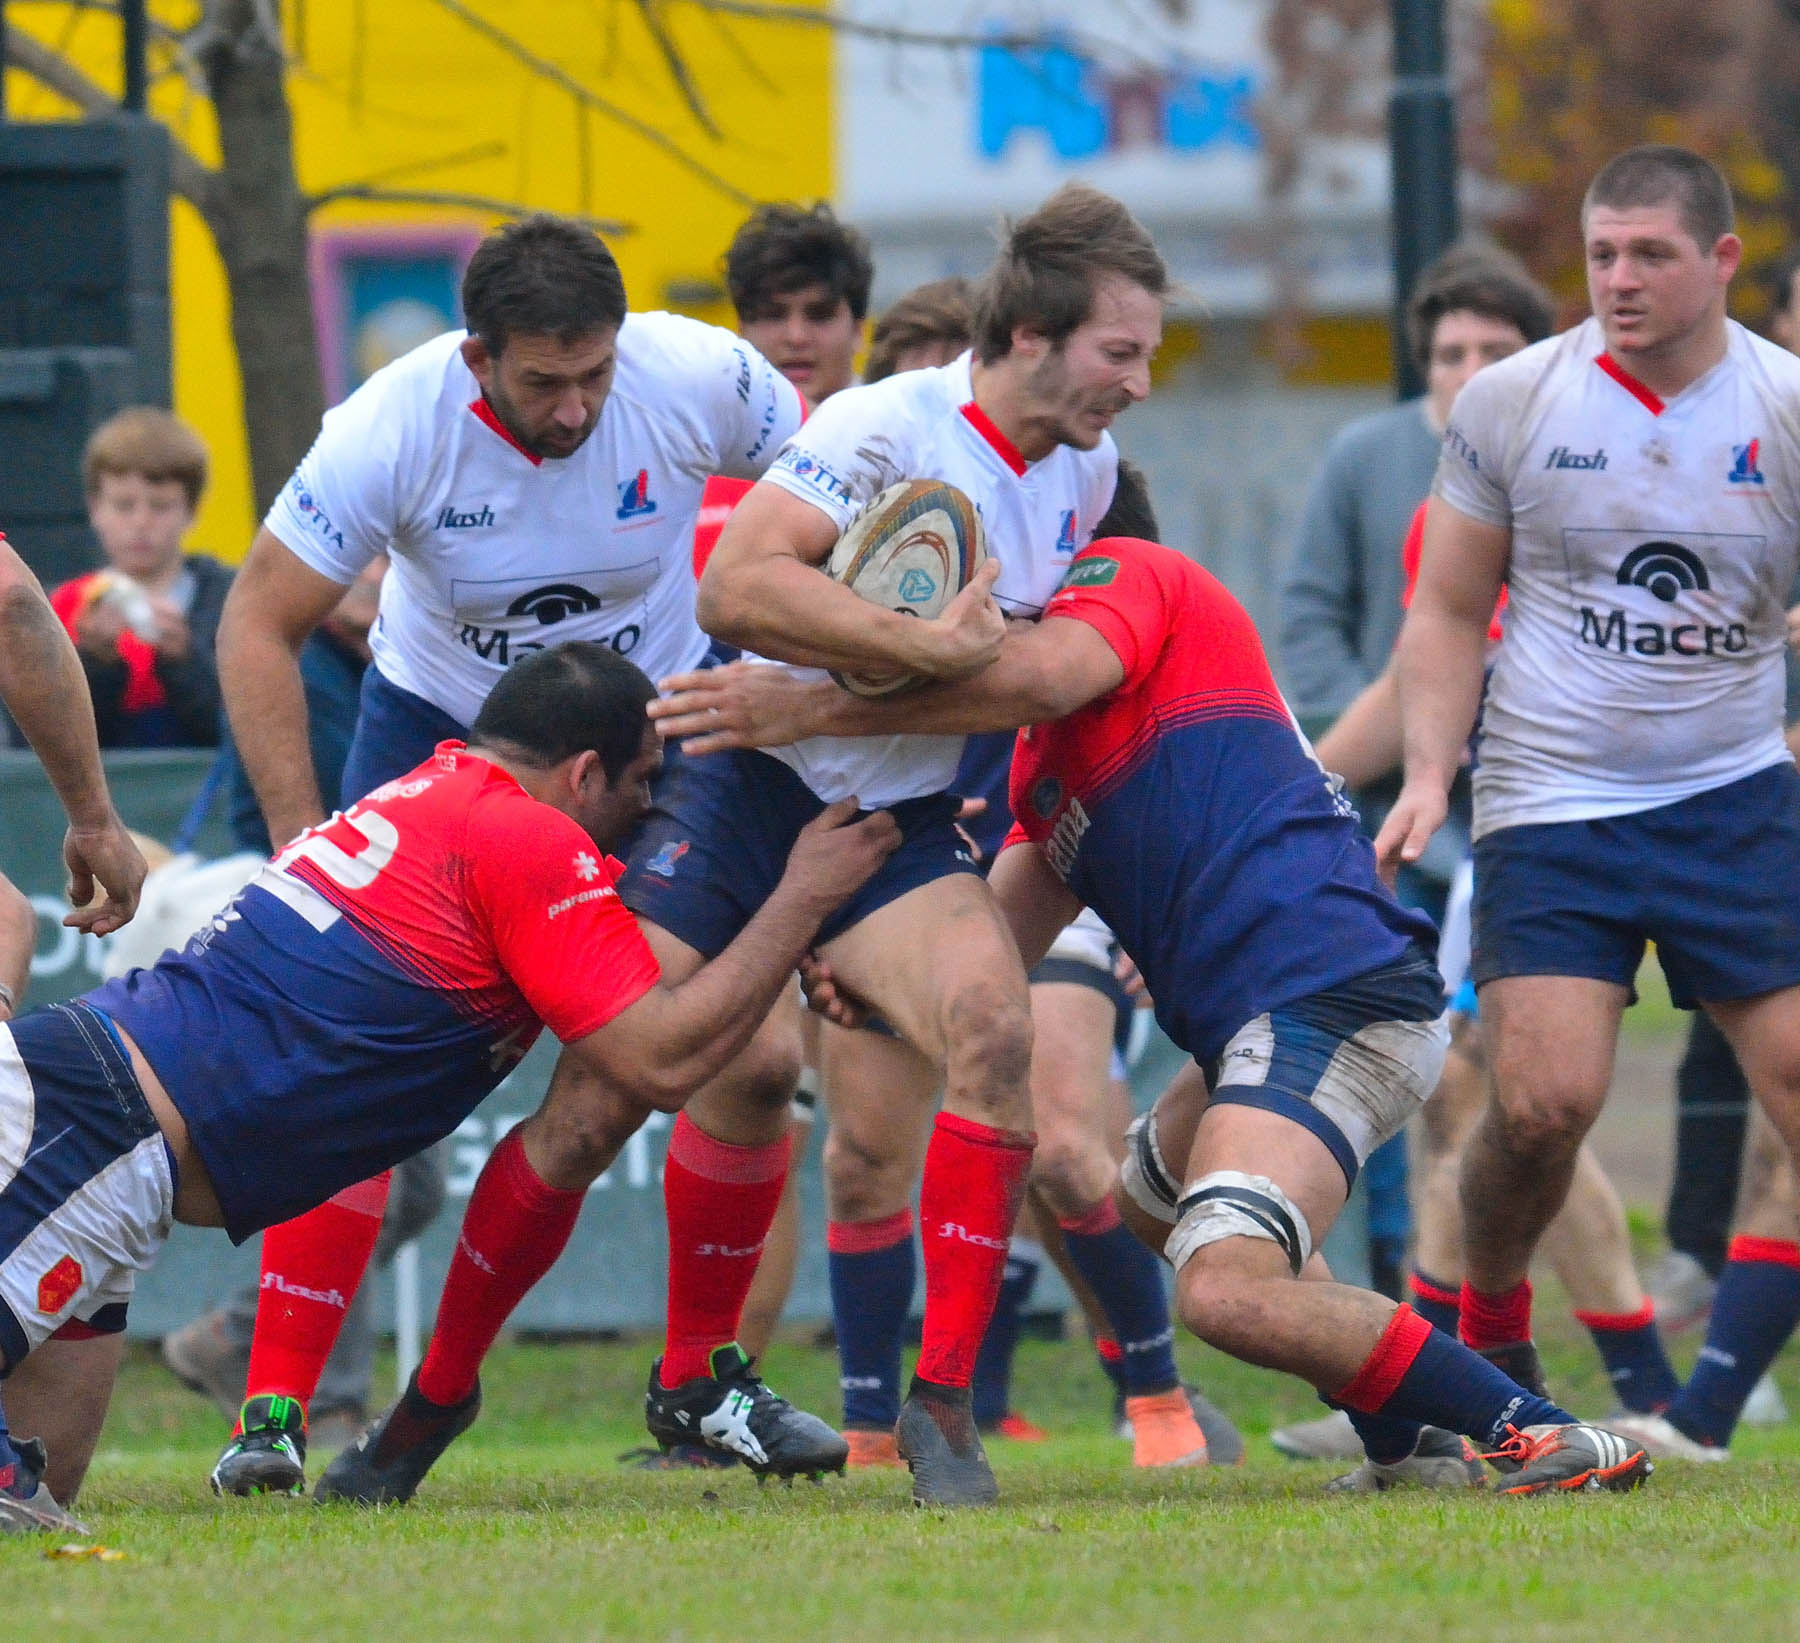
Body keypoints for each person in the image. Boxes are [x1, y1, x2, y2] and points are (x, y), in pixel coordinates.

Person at [651, 534, 1649, 1498]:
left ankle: (1547, 1428)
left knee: (1225, 1288)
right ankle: (1413, 1445)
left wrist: (814, 707)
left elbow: (1037, 674)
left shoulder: (1136, 578)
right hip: (1254, 1031)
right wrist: (863, 975)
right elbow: (994, 944)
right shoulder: (1038, 766)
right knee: (1149, 1198)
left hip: (1336, 992)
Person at [0, 642, 894, 1530]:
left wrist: (792, 938)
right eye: (642, 782)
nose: (649, 807)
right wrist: (801, 897)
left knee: (46, 1493)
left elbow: (668, 958)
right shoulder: (523, 835)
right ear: (586, 773)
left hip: (114, 1140)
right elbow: (658, 1060)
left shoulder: (446, 793)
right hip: (96, 1123)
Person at [212, 212, 818, 1491]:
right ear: (477, 354)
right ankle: (269, 1414)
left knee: (751, 1055)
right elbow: (256, 625)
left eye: (595, 373)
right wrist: (296, 835)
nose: (577, 406)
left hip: (657, 733)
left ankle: (695, 1380)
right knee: (358, 1074)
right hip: (448, 734)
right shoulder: (392, 422)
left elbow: (846, 496)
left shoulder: (697, 373)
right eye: (544, 381)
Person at [620, 181, 1161, 1507]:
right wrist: (922, 649)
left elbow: (1035, 679)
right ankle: (430, 1403)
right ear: (1032, 335)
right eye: (1121, 353)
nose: (1139, 384)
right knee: (601, 1094)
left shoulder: (1086, 473)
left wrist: (870, 697)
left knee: (994, 1028)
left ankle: (942, 1406)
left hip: (898, 827)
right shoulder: (880, 422)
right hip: (749, 791)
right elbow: (735, 586)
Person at [1380, 144, 1800, 1464]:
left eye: (1650, 255)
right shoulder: (1512, 402)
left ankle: (1704, 1407)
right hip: (1552, 801)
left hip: (1735, 792)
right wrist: (1436, 773)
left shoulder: (1785, 406)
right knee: (1542, 1103)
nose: (1617, 278)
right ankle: (1495, 1335)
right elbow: (1445, 610)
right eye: (1601, 252)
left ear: (1722, 261)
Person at [816, 458, 1239, 1472]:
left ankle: (1158, 1394)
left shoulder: (1124, 611)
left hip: (1071, 879)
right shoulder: (909, 570)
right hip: (933, 884)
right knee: (863, 1156)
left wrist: (1161, 908)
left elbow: (1196, 774)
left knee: (1058, 1144)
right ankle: (872, 1426)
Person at [1274, 246, 1559, 1336]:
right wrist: (1384, 763)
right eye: (1451, 352)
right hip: (1398, 817)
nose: (1471, 371)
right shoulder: (1376, 463)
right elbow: (1345, 636)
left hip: (1532, 821)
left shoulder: (1572, 471)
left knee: (1515, 1100)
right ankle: (1426, 1358)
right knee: (1447, 1093)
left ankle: (1445, 1360)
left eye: (1496, 351)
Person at [50, 409, 232, 749]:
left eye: (160, 506)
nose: (141, 522)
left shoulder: (227, 600)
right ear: (94, 509)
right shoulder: (66, 606)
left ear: (191, 511)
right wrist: (96, 660)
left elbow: (237, 731)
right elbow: (49, 741)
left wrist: (183, 659)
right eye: (123, 505)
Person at [725, 201, 871, 410]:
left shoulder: (897, 434)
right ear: (741, 331)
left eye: (820, 316)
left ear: (858, 331)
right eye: (773, 316)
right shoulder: (706, 436)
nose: (796, 337)